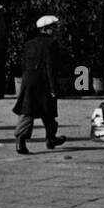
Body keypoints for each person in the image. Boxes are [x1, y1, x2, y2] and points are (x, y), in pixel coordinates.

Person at [14, 15, 66, 154]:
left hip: (29, 81)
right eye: (52, 27)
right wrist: (54, 88)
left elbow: (24, 64)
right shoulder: (52, 44)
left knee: (27, 112)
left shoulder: (29, 43)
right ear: (45, 29)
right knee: (48, 112)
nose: (54, 30)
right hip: (43, 82)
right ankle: (50, 138)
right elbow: (51, 67)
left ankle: (21, 141)